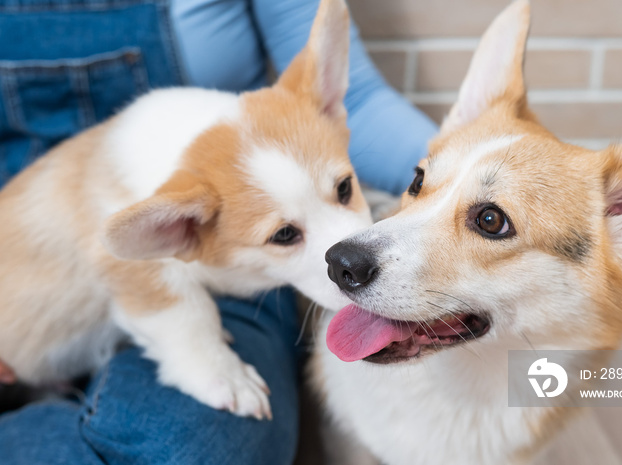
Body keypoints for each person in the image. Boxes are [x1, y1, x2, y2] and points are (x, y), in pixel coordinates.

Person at [0, 0, 437, 463]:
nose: (347, 245)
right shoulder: (156, 192)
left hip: (235, 293)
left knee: (197, 447)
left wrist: (462, 179)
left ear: (329, 108)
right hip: (41, 343)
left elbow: (365, 100)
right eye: (286, 235)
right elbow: (127, 262)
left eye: (343, 189)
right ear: (182, 228)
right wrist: (201, 356)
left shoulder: (300, 116)